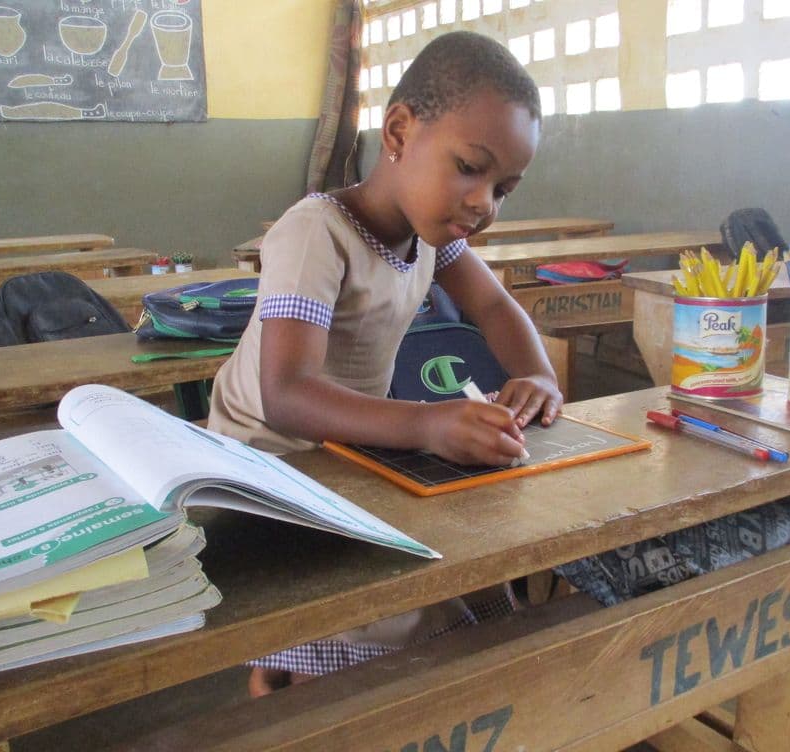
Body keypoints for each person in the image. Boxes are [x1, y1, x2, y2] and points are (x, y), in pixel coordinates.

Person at [207, 30, 560, 696]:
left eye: (504, 187)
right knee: (407, 618)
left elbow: (495, 310)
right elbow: (286, 395)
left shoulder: (429, 236)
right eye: (469, 167)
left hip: (343, 455)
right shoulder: (319, 232)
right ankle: (281, 687)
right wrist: (428, 425)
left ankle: (282, 672)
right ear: (399, 130)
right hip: (263, 472)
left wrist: (538, 375)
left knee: (465, 578)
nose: (485, 202)